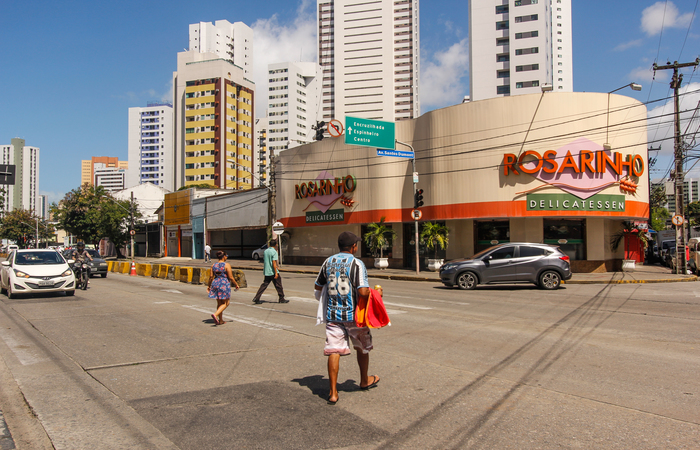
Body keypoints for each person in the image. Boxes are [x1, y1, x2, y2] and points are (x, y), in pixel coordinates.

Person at [314, 231, 380, 405]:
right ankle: (364, 380)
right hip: (355, 316)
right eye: (356, 244)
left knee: (334, 351)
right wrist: (377, 293)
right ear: (353, 247)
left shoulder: (328, 262)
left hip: (333, 315)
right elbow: (363, 292)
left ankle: (333, 392)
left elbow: (318, 286)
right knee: (362, 348)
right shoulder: (357, 264)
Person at [207, 251, 239, 325]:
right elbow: (231, 277)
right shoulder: (226, 265)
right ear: (224, 256)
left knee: (219, 303)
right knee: (226, 303)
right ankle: (215, 314)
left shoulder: (213, 265)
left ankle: (220, 320)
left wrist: (209, 286)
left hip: (215, 283)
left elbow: (211, 277)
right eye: (226, 255)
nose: (227, 257)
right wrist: (236, 284)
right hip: (224, 284)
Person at [252, 239, 287, 304]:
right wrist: (276, 272)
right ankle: (281, 298)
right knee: (278, 285)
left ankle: (257, 297)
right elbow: (273, 262)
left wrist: (276, 267)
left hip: (267, 271)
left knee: (264, 285)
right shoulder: (274, 252)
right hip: (272, 271)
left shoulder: (266, 251)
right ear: (276, 245)